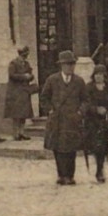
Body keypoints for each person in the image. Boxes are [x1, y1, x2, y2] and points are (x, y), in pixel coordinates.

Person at [40, 49, 87, 185]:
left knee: (71, 149)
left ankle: (70, 176)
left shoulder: (79, 81)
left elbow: (85, 100)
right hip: (57, 119)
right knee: (58, 148)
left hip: (72, 119)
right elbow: (44, 97)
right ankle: (61, 175)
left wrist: (80, 112)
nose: (70, 67)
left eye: (72, 64)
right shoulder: (52, 80)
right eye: (67, 64)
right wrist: (49, 110)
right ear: (61, 65)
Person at [82, 64, 108, 184]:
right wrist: (96, 109)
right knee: (97, 145)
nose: (99, 77)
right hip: (92, 121)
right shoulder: (88, 87)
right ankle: (98, 169)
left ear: (104, 76)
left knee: (103, 145)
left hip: (105, 121)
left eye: (101, 75)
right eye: (96, 74)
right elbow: (86, 103)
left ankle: (100, 168)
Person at [4, 45, 36, 140]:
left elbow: (31, 74)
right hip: (15, 91)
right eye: (24, 54)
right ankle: (16, 133)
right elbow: (12, 75)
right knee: (16, 114)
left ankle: (22, 132)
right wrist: (24, 76)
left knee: (24, 113)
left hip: (24, 91)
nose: (25, 56)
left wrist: (30, 76)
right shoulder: (13, 63)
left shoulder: (26, 64)